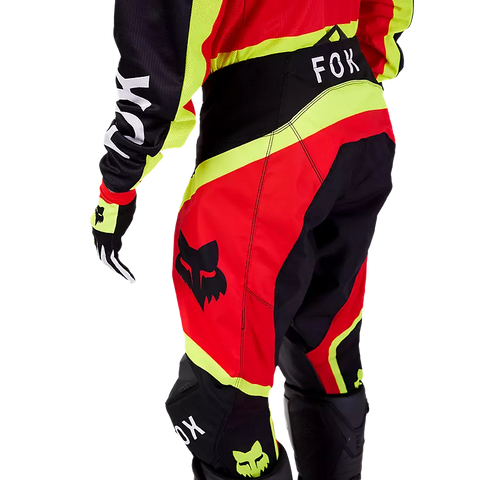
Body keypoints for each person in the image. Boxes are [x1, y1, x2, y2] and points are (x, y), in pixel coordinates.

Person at [87, 1, 415, 478]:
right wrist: (366, 63)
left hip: (265, 144)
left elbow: (157, 53)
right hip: (357, 112)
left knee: (222, 399)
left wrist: (117, 186)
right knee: (327, 348)